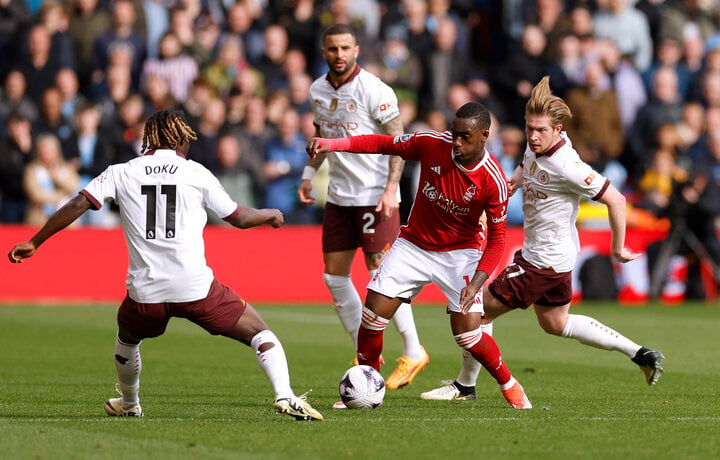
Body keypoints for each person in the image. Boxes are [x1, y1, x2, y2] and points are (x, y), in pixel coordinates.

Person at [7, 110, 323, 422]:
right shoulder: (196, 173)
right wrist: (268, 214)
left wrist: (35, 241)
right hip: (195, 287)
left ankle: (130, 402)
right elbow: (237, 217)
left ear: (149, 138)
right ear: (181, 139)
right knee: (259, 332)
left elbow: (79, 202)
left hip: (146, 292)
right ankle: (285, 395)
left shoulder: (121, 171)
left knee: (127, 339)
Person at [421, 77, 665, 402]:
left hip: (542, 260)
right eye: (529, 129)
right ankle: (640, 353)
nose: (533, 137)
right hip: (554, 256)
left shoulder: (569, 166)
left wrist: (618, 247)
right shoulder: (535, 144)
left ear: (559, 129)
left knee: (474, 313)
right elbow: (527, 166)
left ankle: (466, 386)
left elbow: (617, 199)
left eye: (541, 131)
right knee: (556, 323)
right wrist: (512, 184)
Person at [307, 102, 532, 409]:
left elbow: (497, 241)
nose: (456, 142)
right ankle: (366, 384)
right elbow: (383, 143)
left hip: (460, 255)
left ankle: (510, 385)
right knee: (372, 315)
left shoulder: (493, 180)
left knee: (467, 335)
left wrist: (476, 282)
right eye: (454, 133)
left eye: (465, 136)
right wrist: (334, 144)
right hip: (413, 245)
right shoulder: (431, 143)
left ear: (484, 136)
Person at [297, 24, 429, 403]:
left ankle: (413, 349)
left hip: (375, 196)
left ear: (356, 50)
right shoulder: (317, 90)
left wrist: (391, 189)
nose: (339, 54)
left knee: (383, 276)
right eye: (332, 48)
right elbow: (321, 135)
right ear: (324, 52)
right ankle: (365, 350)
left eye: (345, 48)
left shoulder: (375, 90)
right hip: (339, 196)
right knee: (334, 277)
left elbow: (398, 141)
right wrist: (309, 176)